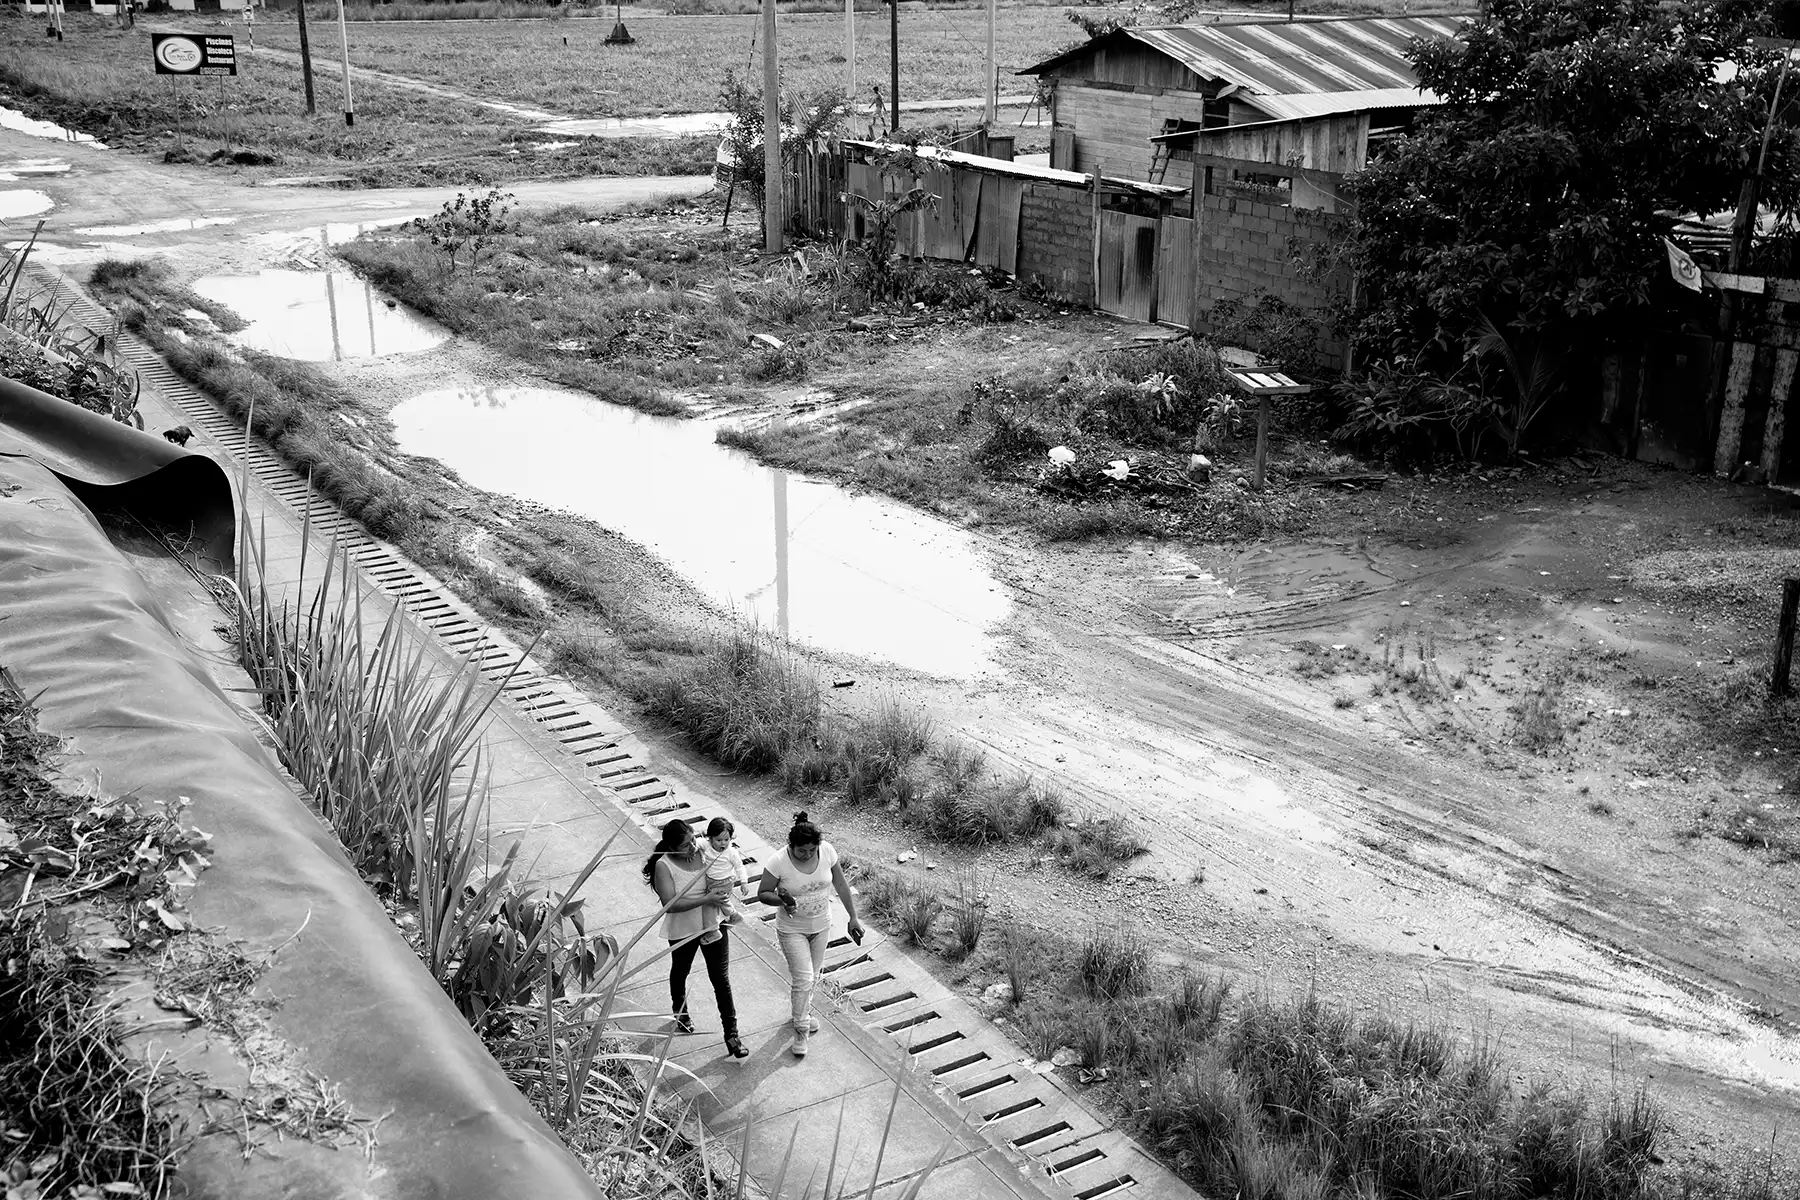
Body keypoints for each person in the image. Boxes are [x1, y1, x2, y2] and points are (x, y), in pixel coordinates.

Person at [756, 811, 863, 1058]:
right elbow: (763, 893)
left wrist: (852, 917)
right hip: (792, 928)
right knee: (803, 978)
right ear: (791, 846)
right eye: (801, 851)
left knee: (812, 977)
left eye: (811, 850)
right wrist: (782, 900)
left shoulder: (826, 851)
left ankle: (801, 1014)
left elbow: (841, 884)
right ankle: (801, 1029)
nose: (807, 855)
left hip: (821, 925)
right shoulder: (778, 861)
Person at [643, 819, 748, 1059]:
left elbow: (723, 870)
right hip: (683, 929)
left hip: (713, 924)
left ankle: (732, 1035)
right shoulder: (664, 865)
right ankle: (680, 1012)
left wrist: (728, 890)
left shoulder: (704, 850)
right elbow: (670, 905)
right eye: (685, 845)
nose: (692, 846)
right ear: (670, 847)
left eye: (693, 839)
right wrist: (707, 899)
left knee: (721, 979)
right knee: (681, 971)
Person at [699, 817, 746, 946]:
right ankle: (733, 914)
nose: (723, 844)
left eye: (727, 840)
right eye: (719, 840)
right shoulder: (706, 845)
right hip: (711, 881)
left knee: (710, 905)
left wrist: (744, 882)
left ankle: (714, 930)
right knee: (721, 901)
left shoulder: (731, 852)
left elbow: (739, 866)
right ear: (710, 838)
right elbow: (695, 843)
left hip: (724, 882)